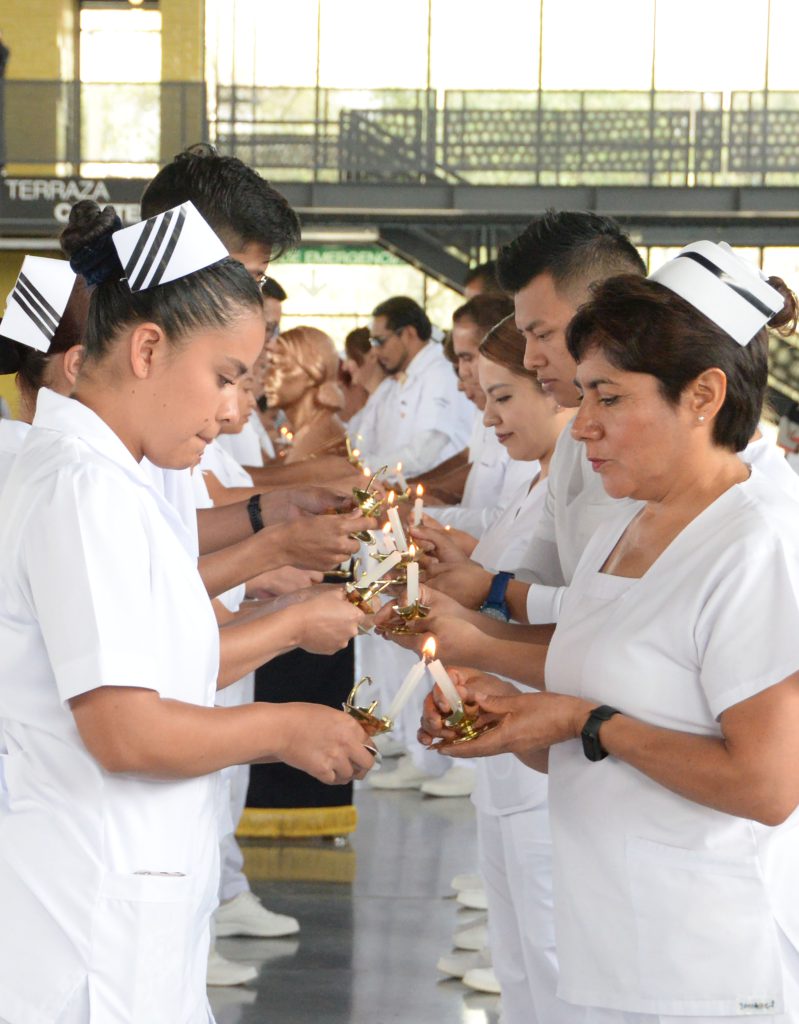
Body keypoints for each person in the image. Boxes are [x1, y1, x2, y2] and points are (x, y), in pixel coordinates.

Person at [0, 200, 375, 1023]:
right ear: (145, 348)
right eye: (225, 377)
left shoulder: (112, 481)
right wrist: (285, 728)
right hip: (87, 922)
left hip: (124, 901)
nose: (234, 410)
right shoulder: (83, 489)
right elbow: (126, 729)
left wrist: (287, 597)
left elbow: (164, 661)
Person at [423, 242, 799, 1023]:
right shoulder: (620, 529)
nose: (582, 425)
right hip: (610, 946)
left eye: (608, 398)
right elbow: (576, 721)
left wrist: (578, 719)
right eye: (583, 396)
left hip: (709, 963)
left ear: (701, 396)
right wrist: (503, 712)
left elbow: (765, 787)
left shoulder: (758, 544)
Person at [356, 295, 473, 477]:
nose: (376, 351)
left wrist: (363, 469)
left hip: (436, 493)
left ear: (408, 333)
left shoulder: (440, 373)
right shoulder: (402, 377)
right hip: (399, 486)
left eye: (380, 341)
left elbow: (423, 454)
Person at [264, 326, 346, 463]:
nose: (266, 377)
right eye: (268, 366)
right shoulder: (309, 429)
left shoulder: (322, 439)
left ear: (312, 374)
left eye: (278, 366)